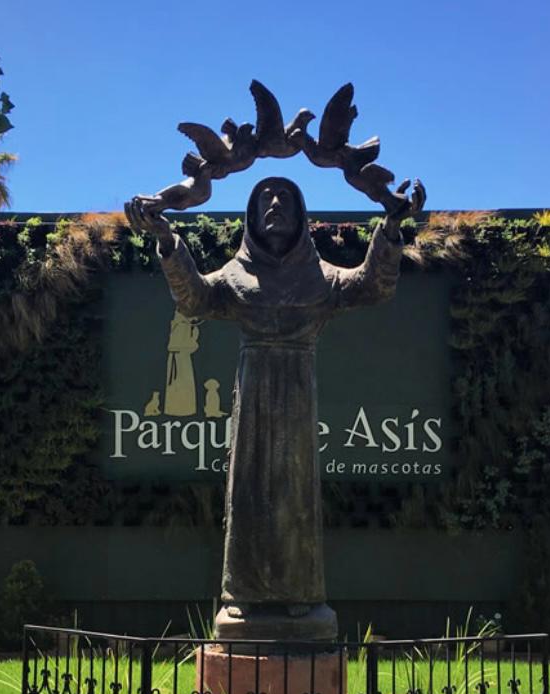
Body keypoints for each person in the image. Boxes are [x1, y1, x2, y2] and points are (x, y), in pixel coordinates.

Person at [130, 175, 424, 639]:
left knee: (295, 497)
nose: (274, 203)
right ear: (251, 216)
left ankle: (299, 595)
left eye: (285, 196)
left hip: (297, 397)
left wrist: (390, 227)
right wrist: (167, 240)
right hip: (252, 398)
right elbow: (193, 299)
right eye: (264, 197)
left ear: (300, 214)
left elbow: (373, 286)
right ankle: (243, 595)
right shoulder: (236, 274)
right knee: (247, 493)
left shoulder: (320, 276)